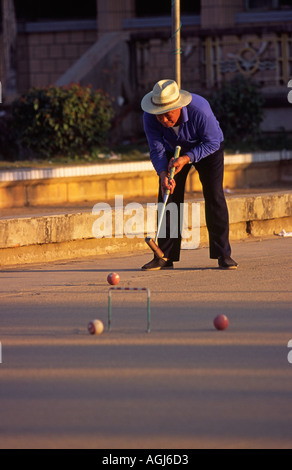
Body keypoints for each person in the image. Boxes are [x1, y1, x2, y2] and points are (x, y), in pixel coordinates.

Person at [140, 79, 238, 271]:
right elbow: (156, 149)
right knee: (168, 197)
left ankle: (223, 255)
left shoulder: (199, 109)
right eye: (159, 116)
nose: (164, 121)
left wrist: (187, 158)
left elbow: (213, 142)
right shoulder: (149, 117)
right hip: (172, 151)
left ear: (179, 106)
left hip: (207, 149)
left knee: (214, 195)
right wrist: (162, 174)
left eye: (168, 116)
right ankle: (165, 256)